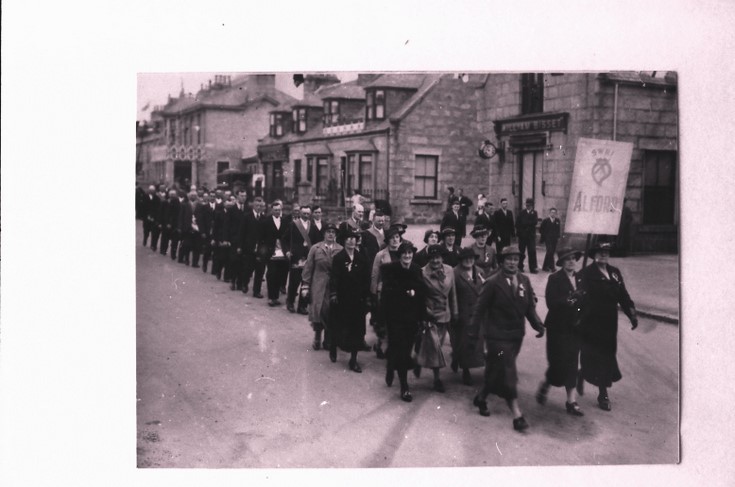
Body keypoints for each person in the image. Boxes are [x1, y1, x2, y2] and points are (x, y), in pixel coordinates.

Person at [466, 245, 545, 432]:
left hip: (516, 335)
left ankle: (481, 398)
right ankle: (517, 416)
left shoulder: (524, 280)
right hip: (497, 337)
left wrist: (538, 324)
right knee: (509, 374)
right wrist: (472, 334)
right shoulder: (492, 282)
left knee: (497, 371)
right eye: (508, 259)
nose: (512, 263)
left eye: (515, 259)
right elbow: (478, 310)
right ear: (502, 262)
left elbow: (529, 308)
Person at [576, 242, 638, 412]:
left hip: (610, 322)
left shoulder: (615, 273)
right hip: (591, 322)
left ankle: (585, 376)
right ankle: (603, 394)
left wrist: (631, 313)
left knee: (607, 355)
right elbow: (579, 301)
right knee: (598, 356)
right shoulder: (585, 274)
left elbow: (623, 295)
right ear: (593, 255)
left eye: (606, 252)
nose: (603, 255)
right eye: (600, 252)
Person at [535, 247, 586, 417]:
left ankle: (571, 401)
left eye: (573, 258)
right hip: (558, 327)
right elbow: (551, 303)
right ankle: (547, 383)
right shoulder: (554, 278)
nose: (571, 261)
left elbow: (586, 301)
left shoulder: (581, 278)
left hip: (575, 327)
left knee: (572, 362)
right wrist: (571, 299)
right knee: (558, 363)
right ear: (562, 262)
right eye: (567, 259)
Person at [380, 241, 427, 402]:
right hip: (395, 317)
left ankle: (390, 366)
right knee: (401, 349)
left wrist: (422, 316)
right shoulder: (391, 270)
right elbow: (386, 295)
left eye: (410, 253)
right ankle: (404, 386)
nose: (407, 256)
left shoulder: (415, 269)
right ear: (399, 255)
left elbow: (422, 293)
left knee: (405, 348)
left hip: (411, 318)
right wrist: (406, 291)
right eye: (404, 253)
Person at [417, 244, 458, 393]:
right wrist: (424, 312)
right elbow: (420, 296)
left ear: (442, 258)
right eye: (433, 258)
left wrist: (455, 312)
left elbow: (452, 293)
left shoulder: (449, 270)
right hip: (431, 315)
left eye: (438, 257)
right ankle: (437, 379)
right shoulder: (422, 272)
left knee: (445, 345)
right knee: (436, 348)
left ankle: (419, 360)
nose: (435, 261)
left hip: (446, 313)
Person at [329, 226, 371, 371]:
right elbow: (334, 278)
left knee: (357, 329)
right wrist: (333, 294)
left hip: (357, 299)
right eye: (349, 239)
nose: (352, 242)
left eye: (354, 239)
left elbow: (366, 278)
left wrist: (366, 297)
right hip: (342, 298)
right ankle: (333, 347)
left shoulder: (361, 257)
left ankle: (353, 359)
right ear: (344, 241)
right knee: (339, 325)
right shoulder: (338, 258)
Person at [301, 223, 343, 351]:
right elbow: (308, 268)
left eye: (333, 232)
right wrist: (305, 285)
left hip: (334, 286)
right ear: (324, 233)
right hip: (318, 285)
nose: (331, 234)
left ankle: (328, 339)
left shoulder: (340, 249)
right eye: (328, 231)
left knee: (331, 311)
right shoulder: (315, 248)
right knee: (318, 310)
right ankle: (317, 335)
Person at [370, 223, 407, 359]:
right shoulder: (381, 255)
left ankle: (394, 346)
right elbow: (375, 274)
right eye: (392, 238)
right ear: (387, 240)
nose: (395, 240)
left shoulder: (405, 253)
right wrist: (374, 293)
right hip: (384, 291)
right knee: (384, 320)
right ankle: (380, 344)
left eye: (397, 237)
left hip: (400, 292)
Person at [452, 247, 487, 385]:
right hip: (462, 313)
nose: (469, 260)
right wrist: (454, 312)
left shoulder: (480, 272)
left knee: (477, 341)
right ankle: (465, 370)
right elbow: (452, 295)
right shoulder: (455, 273)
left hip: (478, 313)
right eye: (465, 258)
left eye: (471, 258)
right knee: (463, 342)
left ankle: (456, 359)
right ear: (461, 260)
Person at [261, 200, 290, 307]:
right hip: (271, 251)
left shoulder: (285, 221)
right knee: (271, 274)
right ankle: (271, 297)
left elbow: (287, 238)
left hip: (282, 252)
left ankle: (276, 297)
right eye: (275, 210)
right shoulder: (266, 222)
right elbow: (262, 238)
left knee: (280, 274)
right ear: (271, 210)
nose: (277, 212)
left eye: (279, 210)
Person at [285, 205, 313, 314]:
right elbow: (285, 239)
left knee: (305, 283)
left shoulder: (312, 225)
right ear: (300, 213)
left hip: (308, 258)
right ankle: (290, 302)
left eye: (307, 213)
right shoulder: (293, 225)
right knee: (294, 282)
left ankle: (302, 306)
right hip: (296, 258)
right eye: (304, 213)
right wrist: (287, 251)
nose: (306, 215)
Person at [241, 197, 266, 298]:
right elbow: (242, 233)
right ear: (253, 206)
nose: (258, 208)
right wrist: (241, 246)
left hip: (260, 248)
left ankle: (257, 291)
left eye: (260, 206)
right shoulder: (247, 217)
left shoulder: (264, 218)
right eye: (257, 205)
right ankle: (244, 283)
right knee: (248, 268)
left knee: (260, 270)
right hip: (249, 247)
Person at [224, 190, 247, 290]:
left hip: (245, 240)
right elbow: (227, 225)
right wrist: (226, 239)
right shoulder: (232, 209)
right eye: (241, 195)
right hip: (234, 239)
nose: (243, 198)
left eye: (245, 196)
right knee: (234, 261)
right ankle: (233, 280)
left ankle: (240, 282)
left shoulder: (248, 209)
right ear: (237, 196)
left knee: (243, 262)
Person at [516, 198, 539, 273]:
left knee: (532, 251)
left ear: (532, 205)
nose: (528, 206)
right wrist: (521, 231)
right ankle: (520, 267)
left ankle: (533, 268)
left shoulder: (534, 213)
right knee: (521, 252)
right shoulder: (521, 213)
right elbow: (518, 223)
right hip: (522, 236)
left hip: (531, 236)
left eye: (529, 205)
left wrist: (525, 223)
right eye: (527, 205)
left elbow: (535, 222)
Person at [539, 207, 562, 272]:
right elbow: (541, 230)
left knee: (550, 252)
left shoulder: (557, 220)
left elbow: (558, 230)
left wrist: (558, 237)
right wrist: (545, 235)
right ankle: (552, 267)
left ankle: (545, 267)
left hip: (554, 239)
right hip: (547, 239)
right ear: (549, 213)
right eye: (552, 212)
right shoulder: (546, 220)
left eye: (554, 212)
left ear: (556, 213)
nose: (553, 214)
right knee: (550, 251)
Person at [142, 185, 160, 249]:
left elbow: (158, 208)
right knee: (146, 231)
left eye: (153, 190)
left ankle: (153, 244)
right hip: (146, 217)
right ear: (149, 190)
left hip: (154, 218)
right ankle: (145, 240)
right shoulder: (145, 197)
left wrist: (154, 217)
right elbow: (143, 208)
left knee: (154, 232)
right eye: (151, 190)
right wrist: (146, 216)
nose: (152, 191)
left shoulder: (157, 198)